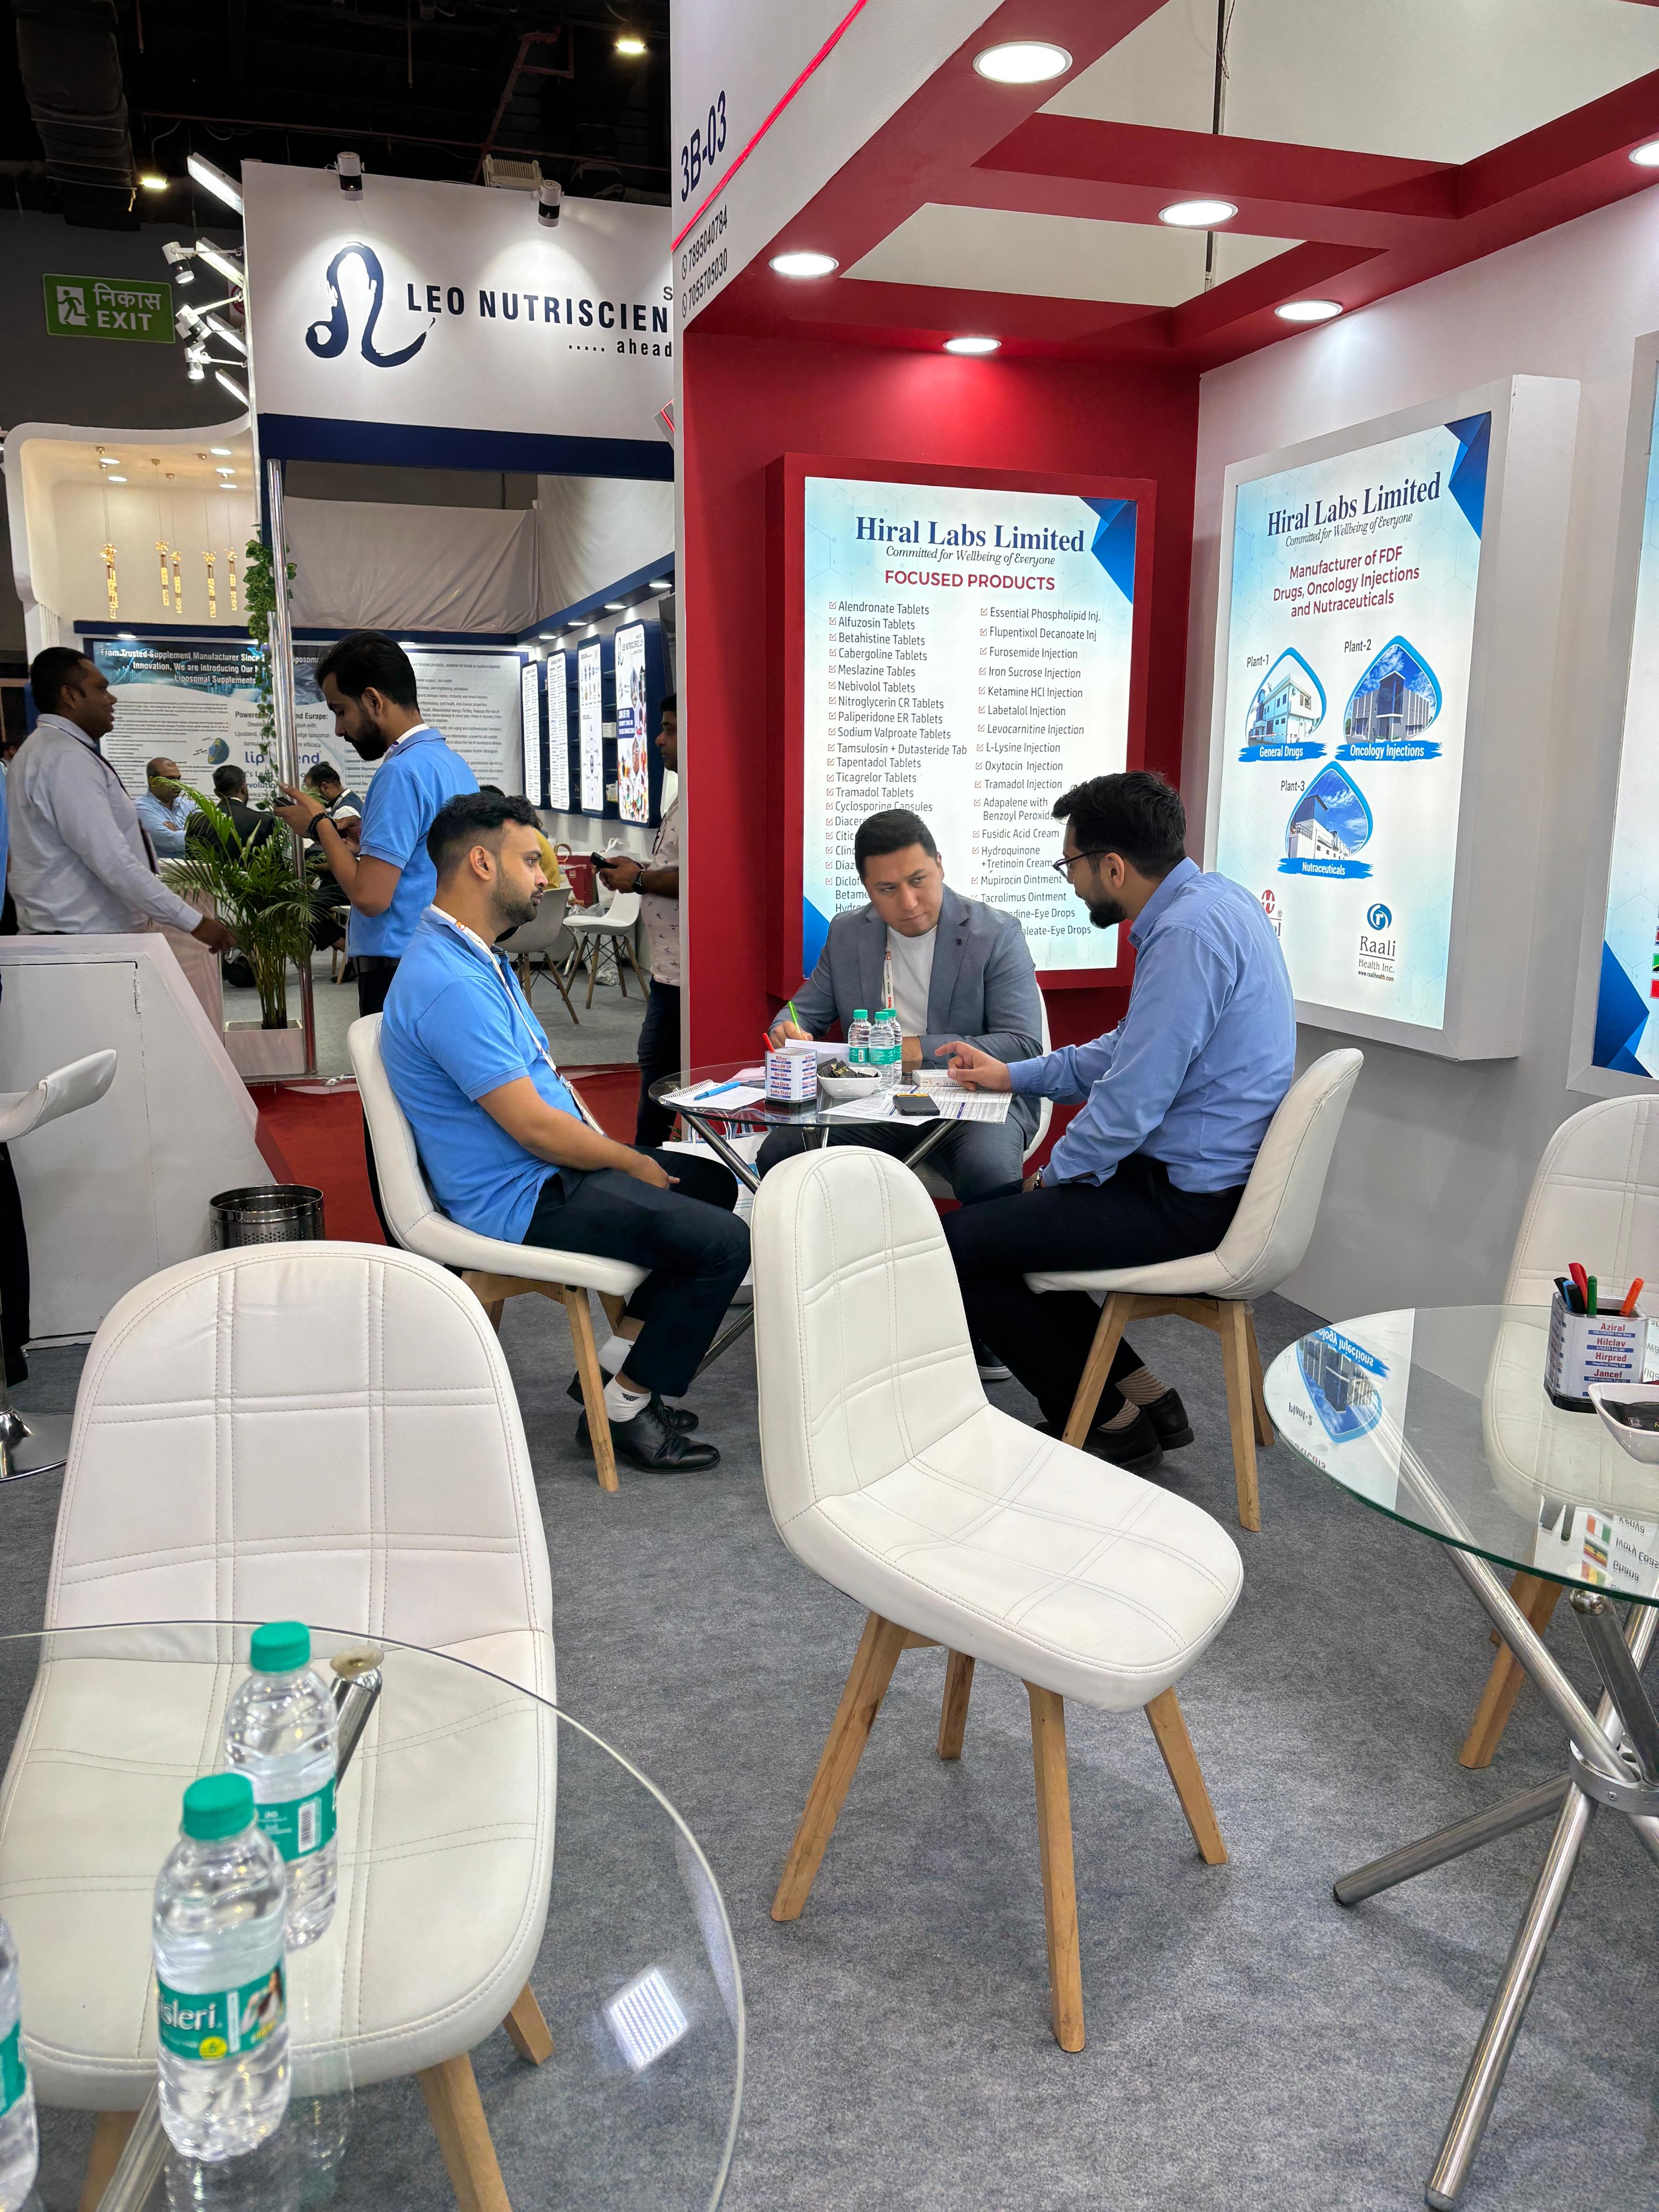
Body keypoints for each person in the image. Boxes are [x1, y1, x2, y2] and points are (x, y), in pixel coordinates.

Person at [380, 791, 748, 1474]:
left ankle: (610, 1378)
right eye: (531, 861)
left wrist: (620, 1157)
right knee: (724, 1243)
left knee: (710, 1183)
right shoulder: (450, 981)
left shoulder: (469, 955)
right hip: (522, 1193)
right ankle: (625, 1408)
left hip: (542, 1168)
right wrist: (627, 1162)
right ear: (482, 863)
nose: (546, 878)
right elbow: (533, 1127)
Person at [940, 771, 1296, 1473]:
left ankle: (1108, 1424)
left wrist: (1052, 1178)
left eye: (1070, 864)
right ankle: (1143, 1397)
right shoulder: (1217, 902)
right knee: (999, 1226)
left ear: (1112, 866)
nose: (1071, 881)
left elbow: (1132, 1098)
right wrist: (1015, 1075)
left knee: (960, 1244)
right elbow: (1130, 1050)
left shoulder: (1186, 935)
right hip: (1205, 1184)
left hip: (1188, 1202)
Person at [760, 807, 1043, 1202]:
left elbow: (1023, 1045)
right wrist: (786, 1029)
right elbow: (803, 1012)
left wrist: (914, 1050)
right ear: (867, 887)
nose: (909, 902)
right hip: (877, 1101)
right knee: (782, 1155)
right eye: (888, 889)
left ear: (939, 865)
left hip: (973, 1100)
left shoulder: (995, 933)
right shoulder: (847, 933)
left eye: (918, 880)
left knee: (988, 1175)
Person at [270, 632, 475, 1018]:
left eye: (340, 711)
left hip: (398, 967)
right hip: (442, 957)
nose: (339, 730)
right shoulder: (450, 764)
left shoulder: (399, 773)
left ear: (373, 700)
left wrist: (319, 825)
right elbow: (423, 861)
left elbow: (370, 898)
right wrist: (363, 842)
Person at [9, 649, 234, 953]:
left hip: (76, 938)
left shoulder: (47, 750)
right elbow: (112, 860)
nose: (112, 699)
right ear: (70, 696)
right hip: (83, 942)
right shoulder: (66, 757)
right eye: (101, 689)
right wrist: (195, 922)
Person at [596, 695, 680, 1146]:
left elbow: (701, 879)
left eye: (669, 729)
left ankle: (650, 1163)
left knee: (659, 1072)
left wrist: (641, 879)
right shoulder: (682, 802)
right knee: (658, 1069)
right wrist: (638, 873)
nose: (660, 740)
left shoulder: (704, 805)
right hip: (670, 969)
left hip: (686, 975)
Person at [189, 765, 276, 849]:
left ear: (216, 793)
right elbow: (273, 858)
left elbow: (191, 857)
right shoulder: (263, 822)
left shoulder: (197, 821)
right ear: (243, 788)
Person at [133, 758, 196, 857]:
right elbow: (169, 840)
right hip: (164, 866)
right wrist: (195, 834)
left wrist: (178, 831)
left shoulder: (187, 804)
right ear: (153, 781)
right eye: (170, 779)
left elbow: (212, 828)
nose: (178, 784)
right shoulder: (141, 808)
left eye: (178, 779)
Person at [301, 761, 363, 827]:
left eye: (312, 792)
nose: (310, 798)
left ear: (325, 787)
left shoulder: (344, 811)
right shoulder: (351, 800)